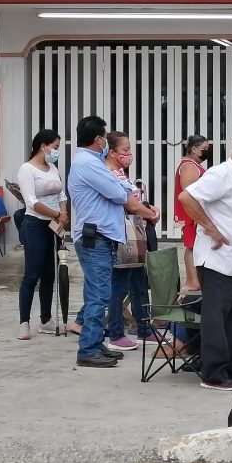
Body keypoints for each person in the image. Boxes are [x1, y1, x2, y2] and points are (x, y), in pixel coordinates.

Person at [179, 132, 232, 391]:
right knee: (216, 319)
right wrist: (211, 228)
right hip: (218, 260)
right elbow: (186, 198)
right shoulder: (221, 175)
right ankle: (214, 374)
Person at [66, 115, 133, 369]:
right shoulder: (89, 164)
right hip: (95, 237)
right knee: (99, 295)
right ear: (98, 139)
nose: (107, 142)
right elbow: (119, 194)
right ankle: (89, 349)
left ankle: (94, 342)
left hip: (98, 235)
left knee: (96, 291)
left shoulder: (90, 162)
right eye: (105, 137)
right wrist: (123, 189)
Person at [103, 131, 161, 351]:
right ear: (112, 151)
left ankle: (143, 329)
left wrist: (148, 209)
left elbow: (135, 201)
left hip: (136, 232)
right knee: (118, 284)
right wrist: (150, 213)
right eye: (125, 149)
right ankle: (116, 333)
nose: (129, 153)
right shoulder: (109, 173)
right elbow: (128, 204)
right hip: (121, 233)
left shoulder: (121, 172)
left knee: (138, 282)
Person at [15, 128, 68, 341]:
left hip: (54, 226)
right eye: (54, 147)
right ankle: (24, 322)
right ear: (42, 146)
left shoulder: (53, 168)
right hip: (35, 224)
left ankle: (45, 319)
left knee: (50, 274)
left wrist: (63, 214)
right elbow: (32, 202)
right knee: (32, 274)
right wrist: (57, 213)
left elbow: (61, 194)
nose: (56, 151)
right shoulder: (27, 169)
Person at [174, 135, 210, 293]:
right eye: (204, 149)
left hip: (193, 214)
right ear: (194, 149)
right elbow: (189, 193)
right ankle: (192, 281)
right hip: (191, 214)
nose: (207, 152)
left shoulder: (193, 165)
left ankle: (194, 280)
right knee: (191, 246)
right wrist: (196, 214)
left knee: (193, 245)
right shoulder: (189, 166)